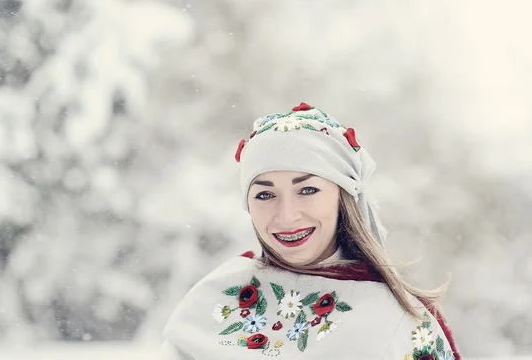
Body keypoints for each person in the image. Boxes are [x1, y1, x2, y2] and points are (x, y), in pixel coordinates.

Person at [160, 102, 460, 359]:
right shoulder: (215, 295)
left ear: (343, 197)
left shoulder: (393, 319)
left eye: (308, 190)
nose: (287, 216)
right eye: (265, 195)